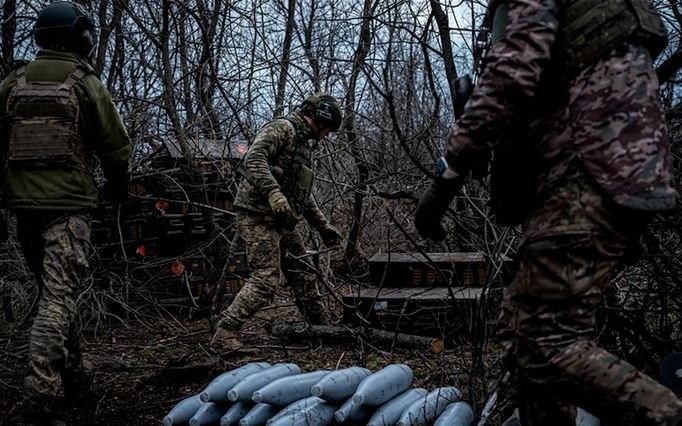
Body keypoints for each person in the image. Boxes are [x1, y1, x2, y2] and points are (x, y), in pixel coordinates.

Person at [415, 0, 682, 424]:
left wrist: (446, 178)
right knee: (525, 344)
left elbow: (514, 71)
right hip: (596, 170)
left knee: (541, 342)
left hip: (590, 168)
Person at [0, 2, 132, 424]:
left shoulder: (13, 83)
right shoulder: (84, 83)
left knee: (54, 295)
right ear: (79, 36)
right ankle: (40, 397)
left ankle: (78, 379)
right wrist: (117, 190)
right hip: (69, 208)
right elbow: (116, 147)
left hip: (23, 208)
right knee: (58, 298)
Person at [211, 94, 343, 350]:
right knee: (266, 277)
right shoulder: (283, 128)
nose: (326, 136)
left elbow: (301, 194)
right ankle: (226, 331)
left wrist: (323, 225)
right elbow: (254, 158)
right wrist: (274, 193)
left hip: (282, 219)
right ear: (320, 118)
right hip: (257, 214)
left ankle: (322, 328)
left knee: (302, 273)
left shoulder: (303, 145)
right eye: (328, 130)